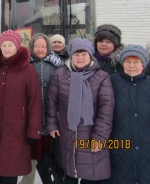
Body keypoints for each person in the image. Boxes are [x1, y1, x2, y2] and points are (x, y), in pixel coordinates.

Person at [46, 38, 114, 184]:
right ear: (71, 56)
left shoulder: (102, 77)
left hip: (91, 134)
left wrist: (100, 137)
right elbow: (51, 102)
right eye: (76, 54)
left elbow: (106, 110)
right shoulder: (60, 75)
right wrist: (52, 125)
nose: (80, 58)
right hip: (67, 131)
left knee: (90, 171)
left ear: (91, 56)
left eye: (84, 54)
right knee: (70, 168)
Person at [0, 30, 42, 184]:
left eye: (10, 45)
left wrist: (33, 130)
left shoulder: (27, 69)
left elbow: (34, 101)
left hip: (18, 129)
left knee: (12, 168)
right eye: (4, 44)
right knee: (0, 168)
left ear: (17, 47)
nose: (7, 48)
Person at [108, 45, 150, 184]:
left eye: (136, 62)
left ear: (143, 64)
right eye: (128, 62)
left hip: (149, 144)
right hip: (118, 142)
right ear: (122, 63)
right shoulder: (111, 81)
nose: (132, 65)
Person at [20, 33, 63, 184]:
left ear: (48, 48)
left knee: (53, 155)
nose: (40, 49)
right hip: (32, 119)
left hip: (53, 119)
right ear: (31, 47)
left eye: (43, 46)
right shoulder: (25, 65)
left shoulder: (59, 65)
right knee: (33, 155)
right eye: (37, 46)